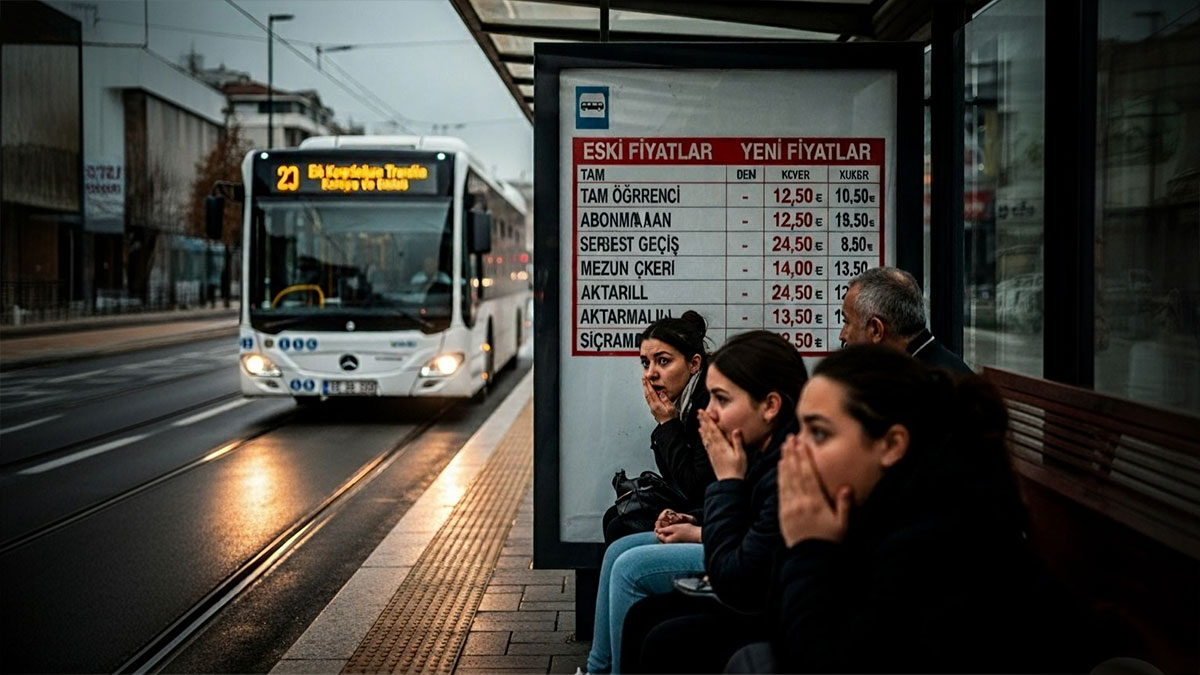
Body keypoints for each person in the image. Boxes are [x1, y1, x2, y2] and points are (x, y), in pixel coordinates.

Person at [730, 344, 1093, 673]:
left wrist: (807, 548)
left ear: (891, 445)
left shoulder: (938, 541)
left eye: (820, 433)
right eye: (799, 430)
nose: (795, 449)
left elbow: (821, 659)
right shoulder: (881, 506)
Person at [585, 331, 807, 674]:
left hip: (756, 592)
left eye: (722, 399)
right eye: (645, 363)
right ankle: (596, 669)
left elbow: (738, 565)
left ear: (770, 406)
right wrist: (692, 518)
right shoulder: (757, 442)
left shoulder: (785, 461)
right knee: (620, 553)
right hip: (727, 546)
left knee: (632, 571)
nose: (711, 411)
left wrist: (720, 488)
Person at [603, 311, 714, 543]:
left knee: (620, 526)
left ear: (694, 364)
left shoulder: (709, 402)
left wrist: (667, 423)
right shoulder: (686, 400)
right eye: (646, 363)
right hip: (704, 508)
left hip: (712, 514)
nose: (651, 374)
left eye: (663, 361)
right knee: (616, 516)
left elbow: (695, 489)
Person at [839, 266, 972, 374]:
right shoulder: (938, 366)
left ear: (876, 330)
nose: (842, 335)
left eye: (847, 322)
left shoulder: (916, 387)